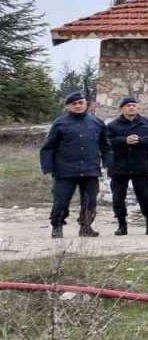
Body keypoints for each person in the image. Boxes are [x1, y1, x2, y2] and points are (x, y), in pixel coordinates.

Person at [39, 91, 111, 239]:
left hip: (90, 169)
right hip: (65, 170)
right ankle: (57, 226)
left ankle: (86, 227)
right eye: (74, 104)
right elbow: (48, 147)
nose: (78, 106)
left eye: (81, 103)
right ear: (68, 106)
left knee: (90, 201)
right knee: (61, 200)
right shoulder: (60, 123)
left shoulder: (97, 123)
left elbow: (105, 145)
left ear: (86, 104)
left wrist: (108, 162)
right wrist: (49, 167)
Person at [105, 96, 148, 236]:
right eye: (128, 105)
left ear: (137, 107)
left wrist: (140, 140)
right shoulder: (113, 125)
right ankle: (121, 226)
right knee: (118, 197)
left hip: (140, 165)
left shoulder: (147, 123)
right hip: (119, 166)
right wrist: (124, 140)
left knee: (145, 197)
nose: (131, 107)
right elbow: (106, 141)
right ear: (122, 108)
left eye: (133, 105)